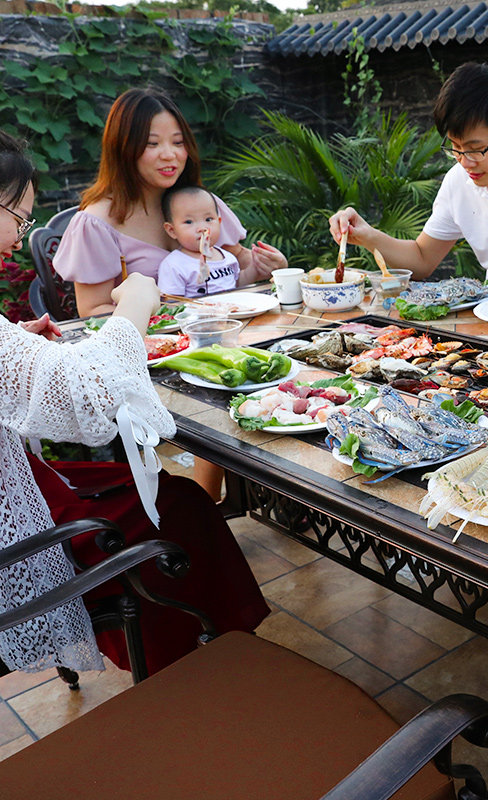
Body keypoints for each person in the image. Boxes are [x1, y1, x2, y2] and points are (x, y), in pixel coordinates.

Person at [0, 131, 269, 675]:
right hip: (23, 530)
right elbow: (90, 406)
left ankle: (205, 640)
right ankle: (190, 659)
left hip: (23, 481)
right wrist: (137, 306)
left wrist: (18, 344)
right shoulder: (97, 219)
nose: (17, 235)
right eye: (18, 216)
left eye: (177, 141)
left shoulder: (196, 205)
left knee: (174, 496)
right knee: (179, 506)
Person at [329, 63, 488, 310]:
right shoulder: (459, 180)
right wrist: (365, 235)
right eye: (455, 148)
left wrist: (465, 291)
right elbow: (421, 259)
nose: (465, 162)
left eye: (477, 149)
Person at [52, 88, 287, 317]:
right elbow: (93, 310)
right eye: (152, 144)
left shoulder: (201, 204)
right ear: (122, 149)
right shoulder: (96, 223)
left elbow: (239, 262)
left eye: (178, 142)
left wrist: (268, 264)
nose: (169, 154)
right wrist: (159, 321)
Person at [158, 185, 243, 297]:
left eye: (208, 219)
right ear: (172, 230)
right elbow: (171, 303)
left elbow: (238, 285)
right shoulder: (174, 265)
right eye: (189, 222)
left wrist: (256, 269)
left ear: (219, 222)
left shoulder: (228, 258)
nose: (202, 228)